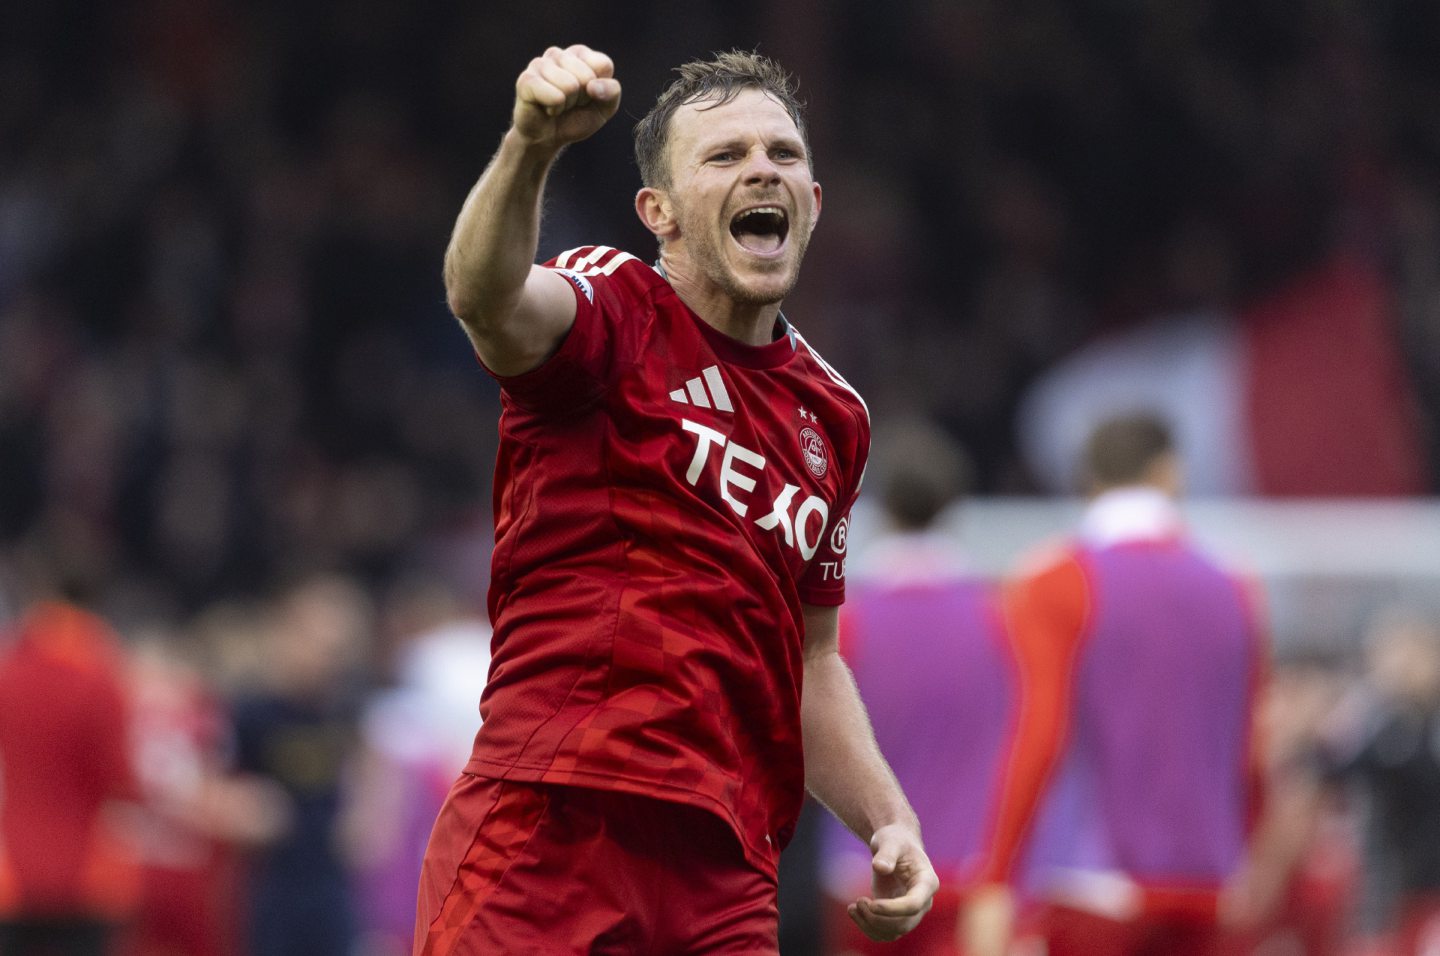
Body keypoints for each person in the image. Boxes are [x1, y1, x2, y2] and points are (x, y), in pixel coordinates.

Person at [413, 45, 938, 955]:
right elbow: (484, 299)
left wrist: (889, 819)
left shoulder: (836, 417)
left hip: (728, 868)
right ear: (658, 213)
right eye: (724, 156)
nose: (761, 170)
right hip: (556, 822)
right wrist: (530, 148)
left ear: (812, 204)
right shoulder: (612, 307)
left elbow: (812, 658)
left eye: (783, 154)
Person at [963, 413, 1270, 956]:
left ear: (1089, 481)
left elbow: (1041, 734)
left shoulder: (1055, 580)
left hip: (1095, 887)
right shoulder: (1235, 587)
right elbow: (1248, 750)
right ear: (1170, 473)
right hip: (1210, 884)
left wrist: (997, 876)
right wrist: (1243, 851)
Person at [816, 421, 1012, 956]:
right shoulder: (998, 619)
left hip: (862, 868)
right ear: (952, 507)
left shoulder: (839, 626)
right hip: (966, 869)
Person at [0, 587, 142, 956]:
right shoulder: (99, 678)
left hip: (11, 874)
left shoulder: (7, 673)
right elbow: (121, 781)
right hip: (86, 875)